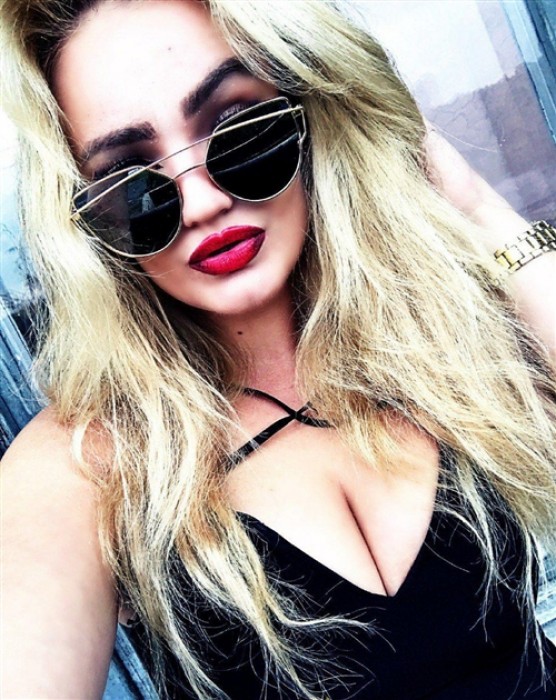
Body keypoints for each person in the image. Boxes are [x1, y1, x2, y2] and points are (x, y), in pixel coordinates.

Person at [1, 1, 555, 698]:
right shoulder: (89, 462)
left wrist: (473, 205)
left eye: (237, 129)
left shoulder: (440, 335)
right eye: (133, 184)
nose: (201, 203)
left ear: (310, 109)